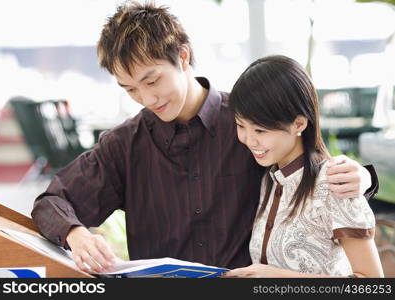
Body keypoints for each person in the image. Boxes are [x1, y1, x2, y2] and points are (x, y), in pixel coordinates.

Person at [31, 2, 378, 274]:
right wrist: (75, 234)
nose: (146, 99)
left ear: (182, 57)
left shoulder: (245, 123)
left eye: (152, 81)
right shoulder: (125, 144)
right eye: (130, 89)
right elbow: (51, 202)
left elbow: (310, 169)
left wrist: (363, 176)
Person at [224, 55, 383, 278]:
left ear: (299, 123)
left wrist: (279, 278)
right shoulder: (269, 177)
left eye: (260, 130)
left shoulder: (335, 182)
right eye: (241, 126)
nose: (250, 140)